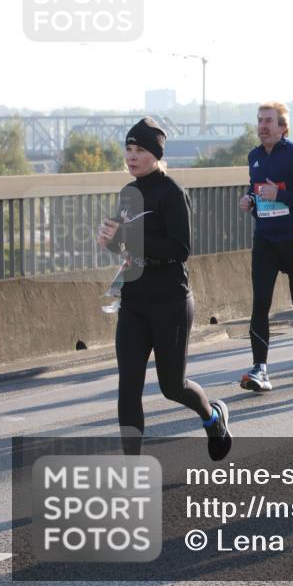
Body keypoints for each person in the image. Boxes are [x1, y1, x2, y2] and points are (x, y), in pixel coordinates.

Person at [97, 117, 231, 461]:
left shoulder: (171, 192)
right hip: (135, 300)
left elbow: (180, 249)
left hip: (170, 300)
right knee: (128, 388)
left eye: (140, 149)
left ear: (155, 154)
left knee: (172, 387)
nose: (132, 156)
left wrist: (126, 237)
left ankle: (212, 417)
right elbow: (125, 245)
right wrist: (110, 241)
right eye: (128, 149)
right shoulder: (128, 193)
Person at [237, 102, 293, 392]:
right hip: (265, 239)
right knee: (260, 303)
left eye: (269, 121)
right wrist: (250, 199)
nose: (263, 126)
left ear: (283, 127)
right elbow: (257, 189)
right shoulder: (254, 156)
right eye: (260, 120)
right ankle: (260, 369)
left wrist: (282, 194)